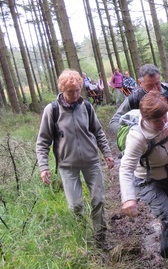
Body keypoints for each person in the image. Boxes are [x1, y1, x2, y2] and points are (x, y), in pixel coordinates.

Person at [36, 69, 115, 248]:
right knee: (76, 206)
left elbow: (98, 132)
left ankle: (100, 239)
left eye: (78, 90)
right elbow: (42, 141)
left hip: (91, 162)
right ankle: (81, 239)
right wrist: (44, 167)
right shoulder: (53, 110)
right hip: (67, 165)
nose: (75, 95)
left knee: (98, 199)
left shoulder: (86, 106)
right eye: (71, 91)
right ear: (62, 89)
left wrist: (107, 154)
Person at [119, 91, 168, 263]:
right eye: (157, 121)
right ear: (145, 117)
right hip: (147, 181)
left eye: (163, 118)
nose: (162, 123)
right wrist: (128, 198)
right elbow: (126, 169)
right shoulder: (137, 137)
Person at [109, 65, 168, 133]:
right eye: (149, 86)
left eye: (157, 84)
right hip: (149, 143)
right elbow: (113, 122)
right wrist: (135, 132)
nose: (155, 89)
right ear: (140, 82)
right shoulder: (134, 99)